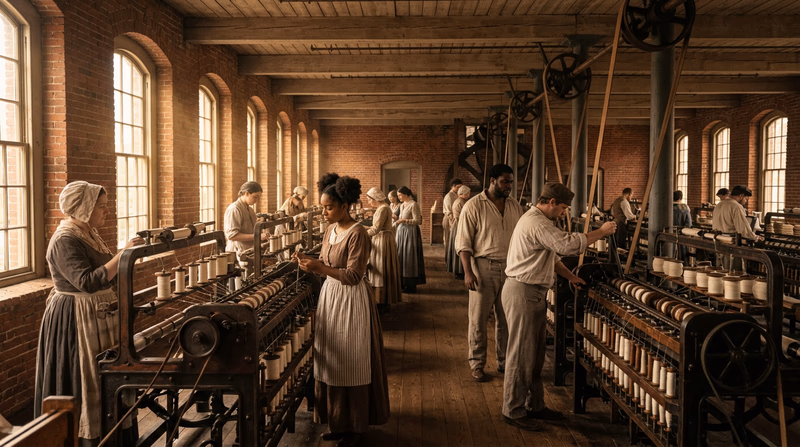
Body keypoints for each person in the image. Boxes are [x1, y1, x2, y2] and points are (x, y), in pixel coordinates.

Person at [35, 181, 145, 445]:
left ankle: (116, 434)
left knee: (107, 374)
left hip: (97, 313)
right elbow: (87, 282)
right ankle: (87, 437)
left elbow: (105, 276)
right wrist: (124, 254)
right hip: (76, 318)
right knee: (86, 376)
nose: (106, 212)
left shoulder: (88, 234)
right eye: (102, 207)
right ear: (84, 208)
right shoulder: (64, 239)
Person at [502, 183, 616, 431]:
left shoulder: (540, 221)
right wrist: (601, 232)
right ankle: (513, 409)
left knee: (534, 355)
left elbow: (552, 257)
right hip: (523, 292)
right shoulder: (537, 222)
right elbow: (566, 245)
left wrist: (571, 277)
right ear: (552, 202)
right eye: (563, 208)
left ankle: (535, 406)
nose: (564, 213)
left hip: (532, 292)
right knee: (521, 354)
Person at [293, 173, 389, 447]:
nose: (324, 212)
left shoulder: (358, 233)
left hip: (351, 300)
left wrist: (320, 268)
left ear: (345, 206)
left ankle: (356, 425)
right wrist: (307, 261)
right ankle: (338, 421)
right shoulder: (330, 230)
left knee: (351, 359)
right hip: (332, 297)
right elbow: (324, 261)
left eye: (329, 207)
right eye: (322, 206)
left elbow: (354, 275)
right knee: (333, 359)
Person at [455, 164, 523, 382]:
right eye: (505, 181)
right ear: (492, 180)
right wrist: (468, 272)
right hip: (482, 268)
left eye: (511, 182)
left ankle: (504, 363)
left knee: (507, 321)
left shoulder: (514, 205)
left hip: (511, 269)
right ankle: (477, 364)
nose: (509, 186)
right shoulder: (474, 206)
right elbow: (463, 242)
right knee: (478, 319)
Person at [365, 187, 402, 313]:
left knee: (381, 266)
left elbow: (376, 230)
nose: (369, 202)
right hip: (383, 237)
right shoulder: (383, 208)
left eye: (369, 200)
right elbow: (376, 227)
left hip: (383, 240)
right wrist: (364, 227)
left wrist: (361, 233)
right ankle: (381, 300)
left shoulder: (383, 209)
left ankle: (382, 300)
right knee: (381, 266)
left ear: (375, 199)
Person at [395, 186, 426, 293]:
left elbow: (418, 221)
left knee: (409, 257)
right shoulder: (402, 205)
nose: (398, 197)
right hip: (402, 233)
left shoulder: (414, 204)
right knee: (401, 257)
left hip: (410, 233)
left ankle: (411, 285)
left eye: (400, 195)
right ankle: (403, 283)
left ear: (406, 194)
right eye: (398, 195)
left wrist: (404, 220)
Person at [224, 181, 267, 257]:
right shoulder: (234, 209)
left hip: (249, 252)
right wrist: (257, 236)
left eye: (258, 197)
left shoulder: (250, 210)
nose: (257, 200)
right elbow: (232, 236)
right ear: (246, 193)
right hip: (237, 255)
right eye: (255, 197)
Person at [446, 185, 471, 279]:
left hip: (459, 224)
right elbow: (460, 216)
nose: (469, 194)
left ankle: (460, 270)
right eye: (468, 193)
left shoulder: (462, 201)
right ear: (463, 194)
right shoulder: (460, 202)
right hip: (458, 225)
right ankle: (459, 271)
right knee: (460, 246)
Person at [442, 178, 463, 250]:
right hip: (449, 219)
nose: (459, 189)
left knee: (454, 239)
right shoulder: (449, 196)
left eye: (460, 187)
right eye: (457, 187)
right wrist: (452, 222)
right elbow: (448, 211)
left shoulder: (457, 194)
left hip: (454, 219)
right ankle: (448, 259)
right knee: (448, 240)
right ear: (452, 186)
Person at [673, 190, 692, 261]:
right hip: (682, 234)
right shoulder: (685, 207)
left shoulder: (667, 207)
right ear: (681, 197)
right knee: (682, 255)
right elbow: (689, 223)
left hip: (669, 234)